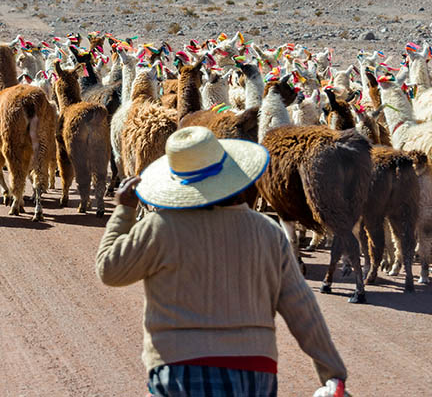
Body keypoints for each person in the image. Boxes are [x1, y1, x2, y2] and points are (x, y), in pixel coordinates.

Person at [96, 126, 348, 397]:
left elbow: (109, 269)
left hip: (180, 369)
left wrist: (123, 211)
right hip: (255, 370)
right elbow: (302, 308)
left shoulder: (160, 228)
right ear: (232, 175)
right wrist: (332, 373)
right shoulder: (266, 232)